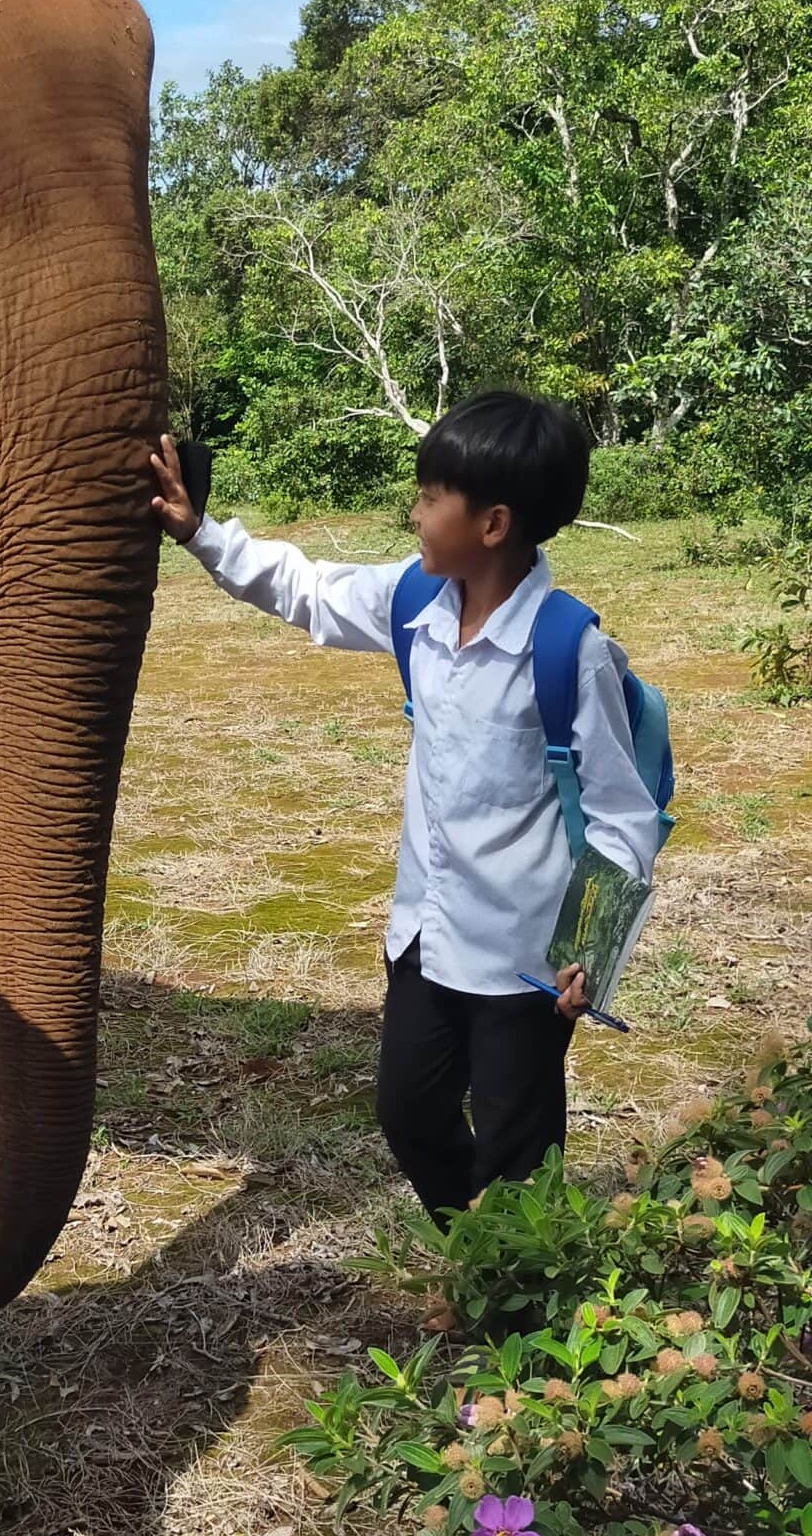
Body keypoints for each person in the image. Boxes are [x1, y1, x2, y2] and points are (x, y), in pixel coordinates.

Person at [150, 395, 662, 1218]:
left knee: (515, 1150)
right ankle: (482, 1263)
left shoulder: (570, 650)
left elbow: (620, 814)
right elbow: (306, 589)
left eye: (430, 497)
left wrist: (592, 951)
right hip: (424, 936)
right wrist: (199, 533)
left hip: (522, 963)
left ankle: (521, 1323)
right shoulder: (414, 603)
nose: (414, 512)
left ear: (492, 526)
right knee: (409, 1111)